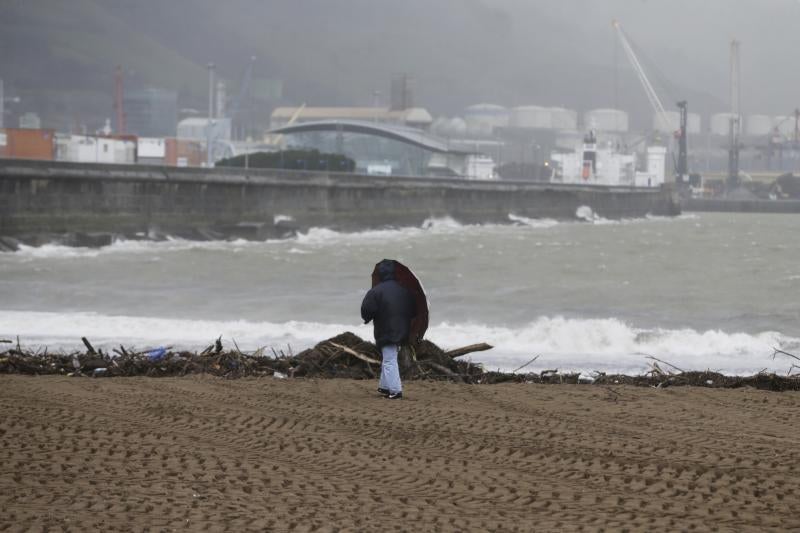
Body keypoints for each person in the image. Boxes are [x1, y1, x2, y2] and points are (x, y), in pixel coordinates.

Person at [360, 259, 417, 400]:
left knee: (389, 360)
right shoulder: (404, 290)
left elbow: (366, 310)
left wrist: (368, 318)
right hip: (403, 329)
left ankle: (395, 391)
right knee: (389, 357)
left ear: (380, 274)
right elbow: (414, 310)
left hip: (385, 330)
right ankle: (384, 387)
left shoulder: (375, 291)